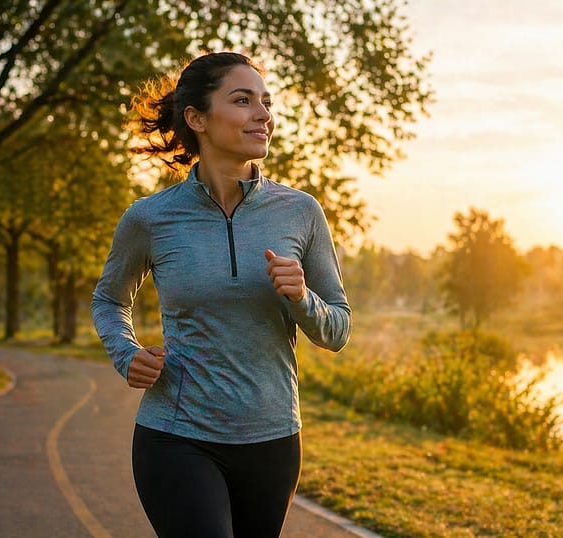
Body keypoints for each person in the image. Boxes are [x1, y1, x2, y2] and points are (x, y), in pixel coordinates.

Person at [91, 51, 351, 538]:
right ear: (197, 119)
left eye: (266, 102)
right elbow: (108, 299)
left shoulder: (300, 211)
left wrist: (302, 298)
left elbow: (338, 328)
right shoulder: (151, 218)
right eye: (243, 100)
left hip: (272, 440)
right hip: (176, 436)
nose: (263, 115)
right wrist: (126, 354)